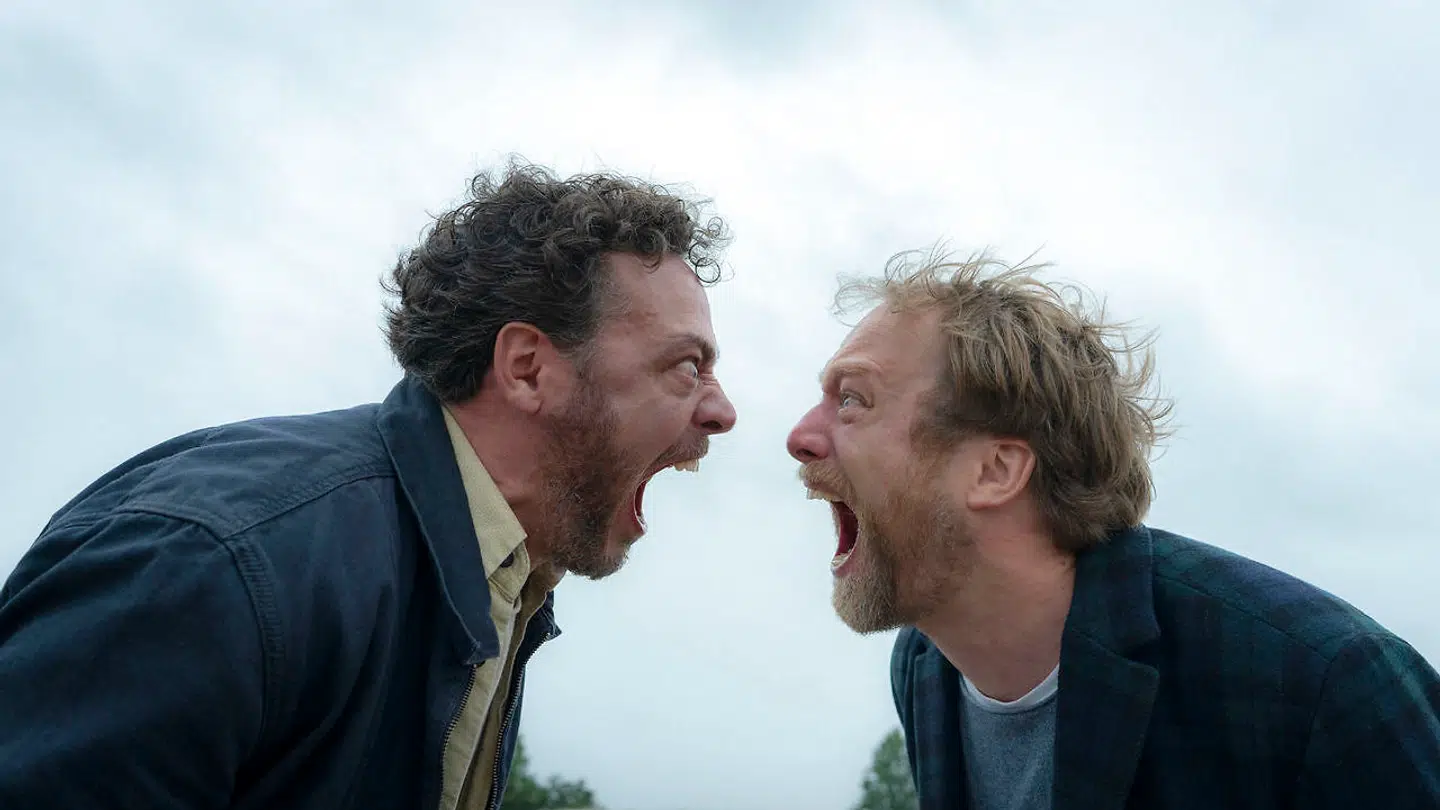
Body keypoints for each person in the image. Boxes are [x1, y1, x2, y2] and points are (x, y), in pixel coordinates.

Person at [0, 162, 738, 809]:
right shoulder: (221, 565)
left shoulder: (497, 585)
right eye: (686, 366)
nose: (722, 411)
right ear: (527, 369)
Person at [786, 249, 1440, 809]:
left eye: (853, 400)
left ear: (995, 470)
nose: (800, 436)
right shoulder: (927, 662)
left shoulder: (1325, 685)